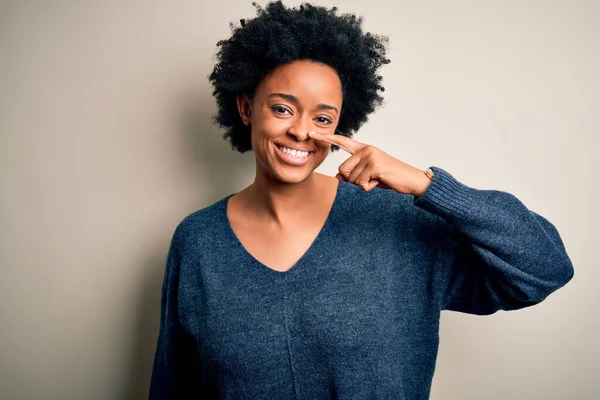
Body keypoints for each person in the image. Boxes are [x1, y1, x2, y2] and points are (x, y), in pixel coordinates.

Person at [148, 1, 574, 399]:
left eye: (322, 118)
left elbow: (545, 266)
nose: (301, 131)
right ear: (246, 108)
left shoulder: (395, 221)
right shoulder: (199, 240)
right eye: (282, 108)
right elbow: (174, 385)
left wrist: (425, 185)